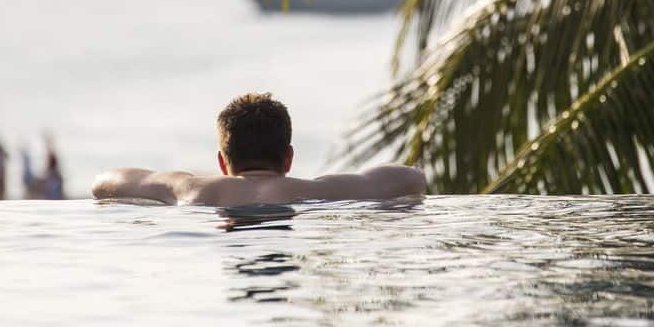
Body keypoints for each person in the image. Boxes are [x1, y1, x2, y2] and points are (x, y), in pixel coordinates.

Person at [91, 92, 425, 206]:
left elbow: (104, 182)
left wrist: (184, 181)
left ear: (222, 162)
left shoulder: (191, 189)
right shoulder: (320, 191)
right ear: (289, 158)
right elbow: (410, 178)